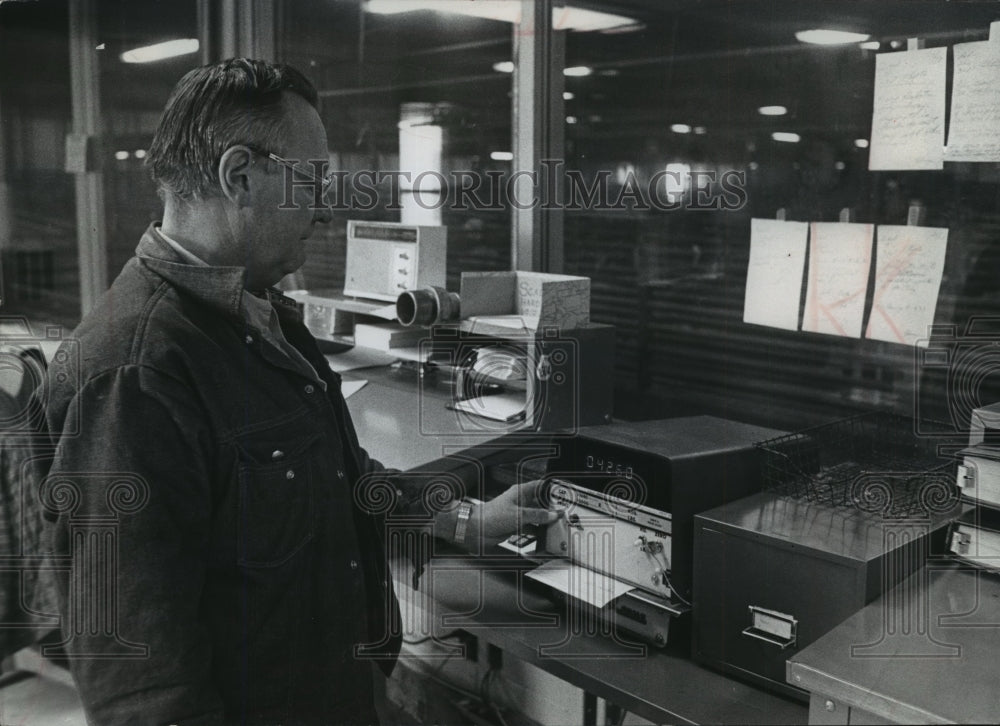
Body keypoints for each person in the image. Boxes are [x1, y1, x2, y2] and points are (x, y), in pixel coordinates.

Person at [35, 58, 551, 725]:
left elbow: (338, 478)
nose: (325, 209)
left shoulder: (260, 313)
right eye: (312, 181)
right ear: (240, 176)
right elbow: (140, 684)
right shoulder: (135, 375)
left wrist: (466, 521)